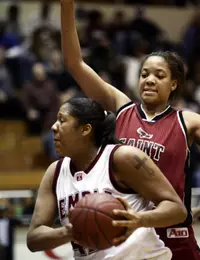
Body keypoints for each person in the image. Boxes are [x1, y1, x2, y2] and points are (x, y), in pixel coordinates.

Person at [46, 0, 200, 258]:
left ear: (174, 84)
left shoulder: (187, 121)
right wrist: (67, 5)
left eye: (159, 75)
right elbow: (74, 64)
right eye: (144, 74)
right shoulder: (122, 108)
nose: (150, 80)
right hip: (126, 237)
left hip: (173, 234)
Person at [27, 97, 187, 260]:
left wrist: (139, 219)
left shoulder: (123, 158)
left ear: (85, 129)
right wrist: (68, 232)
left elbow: (177, 210)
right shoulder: (55, 172)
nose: (54, 127)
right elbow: (33, 238)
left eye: (62, 120)